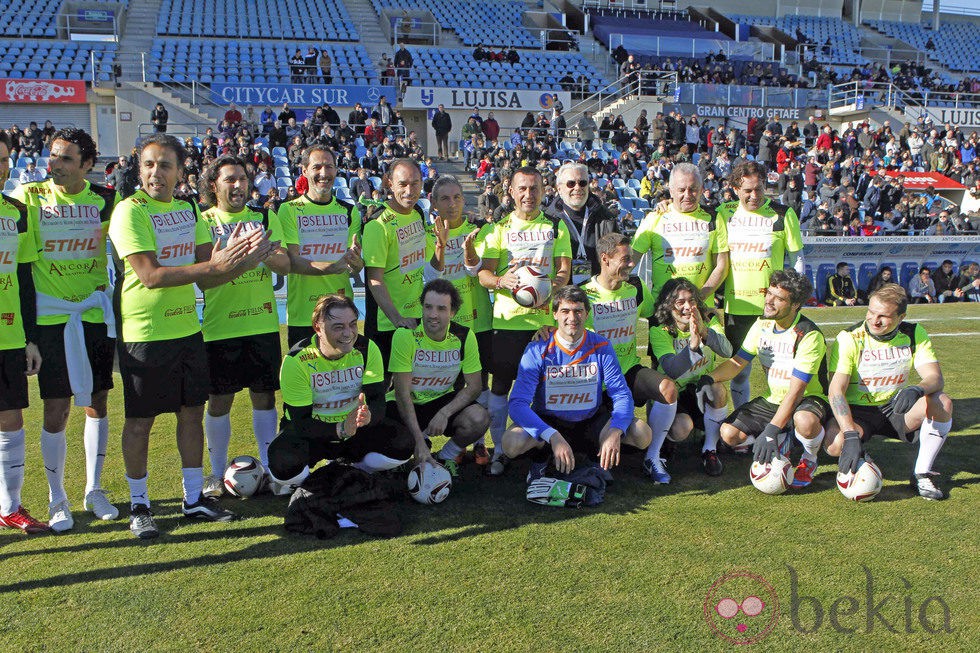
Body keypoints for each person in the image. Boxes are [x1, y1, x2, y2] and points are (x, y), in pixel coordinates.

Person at [108, 134, 273, 538]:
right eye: (149, 164)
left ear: (180, 172)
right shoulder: (129, 211)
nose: (155, 173)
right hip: (144, 334)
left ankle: (193, 498)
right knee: (140, 422)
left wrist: (246, 260)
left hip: (187, 330)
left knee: (190, 415)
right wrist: (217, 266)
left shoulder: (187, 211)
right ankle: (139, 504)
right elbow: (150, 276)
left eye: (165, 165)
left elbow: (211, 275)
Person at [9, 128, 119, 531]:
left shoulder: (107, 200)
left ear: (87, 165)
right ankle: (58, 498)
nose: (53, 164)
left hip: (93, 316)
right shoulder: (29, 197)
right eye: (52, 156)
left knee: (98, 403)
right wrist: (29, 335)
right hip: (51, 320)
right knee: (56, 410)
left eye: (66, 158)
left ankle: (94, 489)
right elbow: (21, 268)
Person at [197, 156, 291, 497]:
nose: (238, 186)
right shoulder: (203, 219)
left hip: (262, 322)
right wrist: (237, 254)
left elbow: (284, 263)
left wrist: (261, 251)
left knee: (264, 397)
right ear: (214, 185)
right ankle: (216, 471)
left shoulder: (265, 216)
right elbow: (204, 275)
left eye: (242, 179)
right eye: (230, 180)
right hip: (220, 327)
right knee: (218, 401)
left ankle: (269, 469)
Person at [503, 285, 652, 483]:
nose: (572, 318)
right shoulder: (537, 348)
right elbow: (517, 403)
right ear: (554, 314)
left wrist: (616, 430)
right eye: (565, 311)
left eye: (578, 311)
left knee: (642, 433)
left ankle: (596, 458)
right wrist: (551, 435)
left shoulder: (601, 346)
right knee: (511, 442)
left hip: (591, 421)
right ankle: (542, 459)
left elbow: (621, 394)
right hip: (550, 423)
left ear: (587, 314)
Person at [477, 166, 571, 475]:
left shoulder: (556, 226)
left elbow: (563, 272)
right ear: (512, 192)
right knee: (500, 387)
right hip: (507, 324)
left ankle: (538, 450)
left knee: (546, 391)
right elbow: (484, 274)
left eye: (534, 189)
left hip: (544, 325)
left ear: (544, 192)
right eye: (522, 189)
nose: (528, 195)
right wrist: (502, 281)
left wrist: (548, 289)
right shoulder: (497, 228)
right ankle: (500, 452)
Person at [269, 294, 414, 489]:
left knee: (404, 444)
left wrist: (370, 417)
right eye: (338, 327)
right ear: (318, 328)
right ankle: (310, 483)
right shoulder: (296, 360)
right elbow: (301, 422)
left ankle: (355, 470)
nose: (348, 334)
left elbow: (376, 398)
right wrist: (340, 429)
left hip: (355, 430)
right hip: (313, 433)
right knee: (282, 464)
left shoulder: (367, 348)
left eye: (353, 324)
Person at [826, 283, 954, 500]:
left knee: (942, 402)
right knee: (835, 446)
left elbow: (935, 377)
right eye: (871, 312)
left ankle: (921, 473)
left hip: (895, 408)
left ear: (901, 317)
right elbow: (836, 390)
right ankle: (863, 459)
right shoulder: (849, 338)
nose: (874, 321)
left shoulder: (914, 333)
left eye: (883, 316)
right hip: (857, 412)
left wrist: (916, 389)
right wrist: (849, 434)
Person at [710, 270, 834, 488]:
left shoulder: (808, 335)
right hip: (773, 399)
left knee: (804, 421)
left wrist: (770, 430)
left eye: (779, 298)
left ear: (795, 305)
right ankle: (785, 436)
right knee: (729, 434)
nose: (769, 301)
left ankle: (809, 458)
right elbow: (738, 362)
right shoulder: (762, 325)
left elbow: (796, 391)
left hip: (808, 399)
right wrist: (708, 379)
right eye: (769, 293)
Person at [579, 234, 683, 480]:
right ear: (605, 259)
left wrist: (690, 318)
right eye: (625, 259)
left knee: (668, 389)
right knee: (618, 433)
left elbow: (656, 314)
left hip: (628, 369)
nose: (631, 264)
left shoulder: (635, 288)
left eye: (632, 259)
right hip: (597, 380)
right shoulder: (584, 295)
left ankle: (653, 457)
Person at [718, 161, 804, 412]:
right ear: (735, 189)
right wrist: (664, 204)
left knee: (778, 372)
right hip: (737, 307)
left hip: (775, 308)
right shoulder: (724, 212)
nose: (754, 195)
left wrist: (795, 300)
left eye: (759, 189)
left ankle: (781, 423)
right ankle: (742, 420)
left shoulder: (782, 213)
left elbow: (797, 258)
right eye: (747, 190)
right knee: (740, 372)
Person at [389, 279, 489, 477]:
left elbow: (475, 386)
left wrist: (445, 413)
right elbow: (402, 393)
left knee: (479, 417)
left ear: (452, 312)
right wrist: (418, 441)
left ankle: (446, 456)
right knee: (398, 445)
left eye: (441, 309)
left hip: (440, 401)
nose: (433, 315)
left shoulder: (464, 336)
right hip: (406, 403)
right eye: (428, 307)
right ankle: (407, 452)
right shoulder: (405, 335)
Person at [0, 132, 47, 533]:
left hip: (9, 336)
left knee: (10, 421)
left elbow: (25, 279)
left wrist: (31, 337)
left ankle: (10, 507)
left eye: (3, 160)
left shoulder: (16, 211)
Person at [427, 176, 493, 452]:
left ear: (464, 201)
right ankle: (456, 441)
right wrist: (441, 246)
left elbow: (478, 273)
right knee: (451, 384)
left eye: (456, 198)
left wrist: (468, 252)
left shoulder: (480, 232)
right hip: (446, 327)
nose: (452, 204)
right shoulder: (425, 235)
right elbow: (430, 276)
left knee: (481, 382)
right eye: (445, 198)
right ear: (434, 203)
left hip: (478, 322)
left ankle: (479, 442)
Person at [279, 145, 363, 347]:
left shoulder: (349, 211)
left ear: (336, 170)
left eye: (329, 167)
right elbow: (293, 262)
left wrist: (356, 262)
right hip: (304, 315)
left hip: (342, 313)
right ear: (304, 170)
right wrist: (333, 267)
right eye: (317, 167)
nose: (324, 173)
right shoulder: (289, 210)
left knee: (345, 376)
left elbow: (357, 266)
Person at [362, 158, 427, 370]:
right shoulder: (377, 225)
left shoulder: (418, 212)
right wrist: (397, 319)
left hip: (416, 317)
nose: (410, 190)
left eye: (415, 183)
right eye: (403, 184)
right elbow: (374, 280)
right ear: (390, 184)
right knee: (383, 392)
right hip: (387, 324)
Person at [631, 162, 730, 300]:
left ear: (701, 189)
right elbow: (630, 261)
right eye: (681, 190)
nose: (687, 195)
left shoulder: (713, 218)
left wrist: (699, 299)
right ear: (671, 190)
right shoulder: (654, 218)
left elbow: (722, 265)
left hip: (702, 307)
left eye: (693, 189)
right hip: (663, 309)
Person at [543, 163, 619, 283]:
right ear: (559, 188)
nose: (577, 188)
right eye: (571, 183)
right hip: (561, 293)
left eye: (582, 183)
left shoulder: (605, 217)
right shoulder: (546, 221)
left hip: (598, 292)